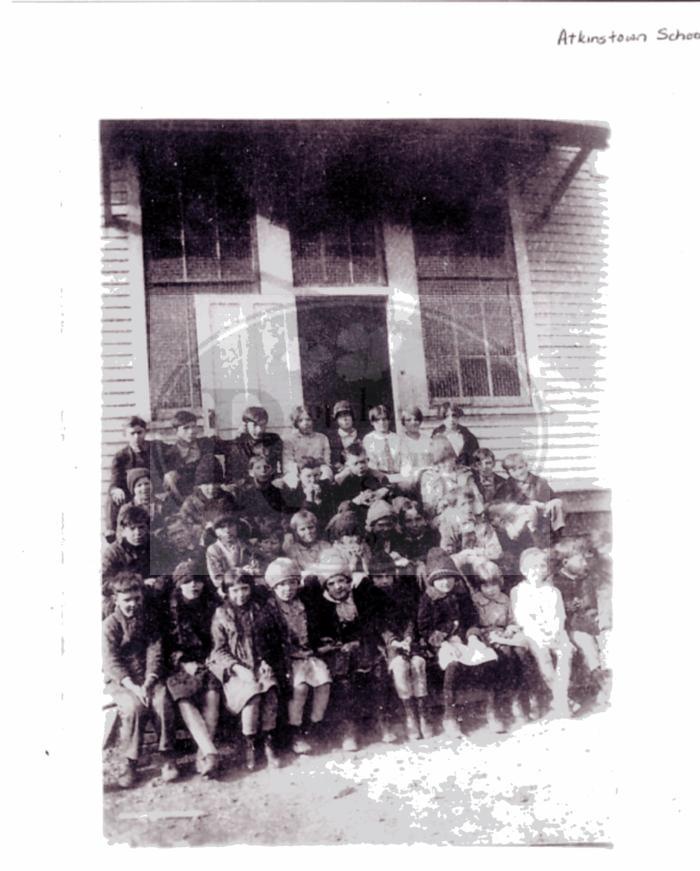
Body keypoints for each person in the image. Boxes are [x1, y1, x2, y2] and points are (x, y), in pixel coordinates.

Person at [312, 548, 395, 749]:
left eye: (341, 581)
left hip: (363, 644)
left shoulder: (360, 597)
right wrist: (335, 645)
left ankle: (383, 720)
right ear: (326, 587)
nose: (338, 587)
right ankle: (349, 728)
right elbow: (320, 636)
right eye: (331, 583)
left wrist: (359, 641)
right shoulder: (322, 606)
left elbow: (371, 623)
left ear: (349, 581)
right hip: (338, 652)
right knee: (344, 682)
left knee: (378, 671)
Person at [103, 572, 177, 788]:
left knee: (162, 700)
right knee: (134, 707)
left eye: (137, 599)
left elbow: (155, 652)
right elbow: (111, 662)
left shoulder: (149, 620)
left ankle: (166, 755)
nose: (133, 604)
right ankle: (130, 761)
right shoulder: (110, 625)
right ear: (116, 599)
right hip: (123, 681)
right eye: (127, 600)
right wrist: (134, 688)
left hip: (148, 678)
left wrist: (148, 681)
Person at [417, 548, 500, 738]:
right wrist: (443, 636)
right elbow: (424, 628)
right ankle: (450, 715)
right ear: (432, 581)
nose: (445, 582)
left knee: (486, 657)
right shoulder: (428, 599)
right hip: (440, 643)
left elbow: (472, 620)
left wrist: (472, 636)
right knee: (452, 664)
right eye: (440, 579)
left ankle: (491, 709)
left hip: (463, 640)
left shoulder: (462, 596)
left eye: (449, 577)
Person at [208, 572, 286, 771]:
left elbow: (272, 640)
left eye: (244, 589)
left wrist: (266, 661)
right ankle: (250, 743)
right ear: (226, 592)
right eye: (234, 590)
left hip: (259, 665)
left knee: (269, 691)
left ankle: (269, 743)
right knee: (252, 697)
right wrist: (237, 668)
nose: (240, 594)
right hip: (235, 670)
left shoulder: (260, 610)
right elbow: (218, 650)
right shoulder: (221, 614)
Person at [265, 558, 333, 754]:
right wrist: (289, 653)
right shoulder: (271, 610)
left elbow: (313, 632)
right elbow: (269, 642)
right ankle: (295, 731)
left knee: (323, 683)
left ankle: (313, 725)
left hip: (308, 655)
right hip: (287, 660)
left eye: (292, 583)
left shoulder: (304, 604)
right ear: (274, 588)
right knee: (300, 687)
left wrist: (318, 645)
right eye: (281, 585)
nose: (287, 589)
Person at [165, 562, 221, 778]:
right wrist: (182, 662)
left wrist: (211, 658)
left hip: (208, 660)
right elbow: (164, 645)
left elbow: (219, 638)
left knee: (213, 692)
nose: (193, 585)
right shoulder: (168, 610)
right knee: (183, 696)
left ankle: (203, 753)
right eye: (187, 581)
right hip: (178, 665)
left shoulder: (212, 606)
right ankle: (210, 750)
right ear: (179, 585)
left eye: (197, 580)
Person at [369, 551, 432, 739]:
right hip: (387, 643)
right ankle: (410, 715)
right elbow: (376, 623)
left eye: (388, 575)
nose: (384, 580)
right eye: (379, 577)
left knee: (418, 663)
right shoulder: (370, 596)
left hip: (408, 639)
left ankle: (423, 715)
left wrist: (408, 638)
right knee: (400, 666)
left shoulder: (404, 591)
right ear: (372, 578)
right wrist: (393, 641)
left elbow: (411, 618)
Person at [510, 548, 573, 719]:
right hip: (534, 634)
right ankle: (563, 701)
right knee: (543, 657)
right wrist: (540, 632)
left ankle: (560, 698)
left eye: (541, 566)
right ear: (523, 570)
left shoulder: (552, 591)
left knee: (565, 652)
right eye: (532, 567)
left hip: (555, 632)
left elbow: (560, 615)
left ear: (546, 569)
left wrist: (554, 631)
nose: (537, 571)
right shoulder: (518, 591)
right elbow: (521, 618)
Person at [551, 537, 610, 706]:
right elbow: (556, 612)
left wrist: (595, 616)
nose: (585, 563)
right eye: (581, 559)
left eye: (586, 559)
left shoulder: (586, 579)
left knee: (605, 637)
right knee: (586, 642)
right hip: (569, 627)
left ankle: (603, 681)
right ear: (565, 561)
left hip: (588, 622)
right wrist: (569, 607)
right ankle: (603, 684)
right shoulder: (556, 583)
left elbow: (591, 605)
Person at [471, 560, 530, 725]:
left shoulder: (505, 599)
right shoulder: (475, 600)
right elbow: (473, 624)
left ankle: (516, 698)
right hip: (486, 637)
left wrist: (510, 629)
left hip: (505, 635)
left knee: (520, 652)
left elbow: (512, 620)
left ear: (500, 583)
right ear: (479, 586)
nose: (490, 590)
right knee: (502, 654)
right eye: (485, 586)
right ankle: (493, 707)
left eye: (494, 585)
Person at [105, 416, 163, 542]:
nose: (136, 437)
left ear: (145, 432)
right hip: (132, 493)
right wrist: (115, 489)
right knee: (113, 495)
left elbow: (174, 453)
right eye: (132, 433)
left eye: (139, 432)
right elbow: (115, 479)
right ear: (126, 435)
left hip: (153, 488)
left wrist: (170, 473)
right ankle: (112, 531)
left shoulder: (156, 447)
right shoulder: (121, 456)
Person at [160, 410, 229, 506]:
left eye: (193, 426)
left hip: (209, 493)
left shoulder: (206, 444)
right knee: (169, 477)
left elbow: (230, 449)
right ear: (176, 431)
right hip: (185, 497)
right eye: (186, 428)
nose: (191, 431)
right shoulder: (170, 454)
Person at [495, 453, 565, 546]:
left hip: (542, 516)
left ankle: (556, 537)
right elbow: (498, 507)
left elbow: (552, 498)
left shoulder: (539, 482)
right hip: (520, 519)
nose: (519, 472)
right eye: (513, 470)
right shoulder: (506, 486)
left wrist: (545, 504)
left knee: (557, 503)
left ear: (526, 466)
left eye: (521, 467)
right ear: (508, 472)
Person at [102, 505, 153, 612]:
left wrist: (158, 582)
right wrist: (135, 583)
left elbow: (167, 571)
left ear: (147, 528)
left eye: (141, 527)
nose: (138, 533)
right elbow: (103, 583)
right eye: (132, 528)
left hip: (150, 594)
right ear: (124, 531)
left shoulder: (155, 547)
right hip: (124, 599)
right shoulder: (113, 552)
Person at [180, 455, 239, 546]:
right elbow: (185, 527)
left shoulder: (227, 498)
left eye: (215, 484)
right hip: (202, 545)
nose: (211, 489)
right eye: (206, 484)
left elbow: (236, 519)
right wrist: (204, 529)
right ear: (199, 485)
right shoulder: (190, 503)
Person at [420, 435, 483, 519]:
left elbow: (476, 498)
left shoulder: (465, 474)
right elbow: (428, 506)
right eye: (445, 460)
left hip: (466, 515)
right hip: (443, 517)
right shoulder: (429, 476)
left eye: (453, 458)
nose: (450, 462)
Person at [333, 443, 393, 522]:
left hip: (375, 514)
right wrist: (355, 501)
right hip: (352, 515)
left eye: (363, 462)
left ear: (368, 460)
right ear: (347, 465)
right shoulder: (342, 480)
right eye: (355, 463)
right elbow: (336, 506)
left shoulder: (378, 477)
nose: (361, 466)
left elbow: (389, 490)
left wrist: (382, 491)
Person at [224, 406, 283, 485]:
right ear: (245, 425)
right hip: (246, 488)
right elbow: (232, 477)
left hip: (269, 485)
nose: (259, 430)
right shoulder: (237, 445)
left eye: (262, 425)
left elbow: (283, 466)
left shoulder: (273, 440)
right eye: (254, 425)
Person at [280, 456, 337, 531]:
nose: (313, 480)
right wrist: (308, 500)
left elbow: (332, 515)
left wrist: (319, 501)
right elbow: (288, 523)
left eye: (316, 475)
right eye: (308, 476)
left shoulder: (327, 487)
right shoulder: (292, 494)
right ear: (299, 476)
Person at [206, 514, 252, 597]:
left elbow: (254, 565)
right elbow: (217, 578)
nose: (227, 530)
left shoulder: (245, 545)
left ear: (237, 528)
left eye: (230, 526)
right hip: (227, 586)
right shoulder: (213, 550)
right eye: (222, 527)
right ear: (216, 532)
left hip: (247, 583)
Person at [282, 406, 332, 480]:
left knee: (327, 472)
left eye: (308, 419)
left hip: (319, 470)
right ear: (296, 423)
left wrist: (318, 468)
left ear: (313, 420)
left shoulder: (322, 438)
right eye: (300, 420)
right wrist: (300, 468)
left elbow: (327, 460)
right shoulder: (290, 440)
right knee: (290, 477)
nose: (305, 423)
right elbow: (287, 464)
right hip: (299, 472)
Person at [115, 467, 167, 537]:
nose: (144, 488)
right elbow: (121, 534)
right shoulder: (127, 509)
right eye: (139, 485)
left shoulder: (161, 504)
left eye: (147, 483)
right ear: (133, 489)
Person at [431, 402, 480, 468]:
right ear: (442, 417)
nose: (451, 420)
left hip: (464, 472)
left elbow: (475, 459)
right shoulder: (437, 435)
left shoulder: (468, 436)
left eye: (454, 416)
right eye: (447, 416)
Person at [283, 510, 333, 575]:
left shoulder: (326, 546)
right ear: (296, 532)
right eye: (302, 529)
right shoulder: (292, 550)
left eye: (311, 527)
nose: (308, 532)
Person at [397, 406, 433, 487]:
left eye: (416, 419)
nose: (413, 422)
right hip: (408, 481)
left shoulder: (428, 440)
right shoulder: (400, 441)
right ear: (403, 422)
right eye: (408, 420)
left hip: (428, 479)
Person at [362, 404, 402, 475]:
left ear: (389, 420)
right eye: (377, 420)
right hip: (378, 475)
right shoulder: (368, 439)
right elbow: (371, 463)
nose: (382, 423)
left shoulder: (397, 438)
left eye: (384, 419)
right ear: (372, 422)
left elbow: (403, 460)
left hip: (398, 474)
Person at [327, 400, 364, 472]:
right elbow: (333, 460)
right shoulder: (332, 439)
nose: (345, 419)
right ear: (336, 420)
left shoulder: (362, 435)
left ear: (352, 417)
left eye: (347, 415)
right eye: (340, 417)